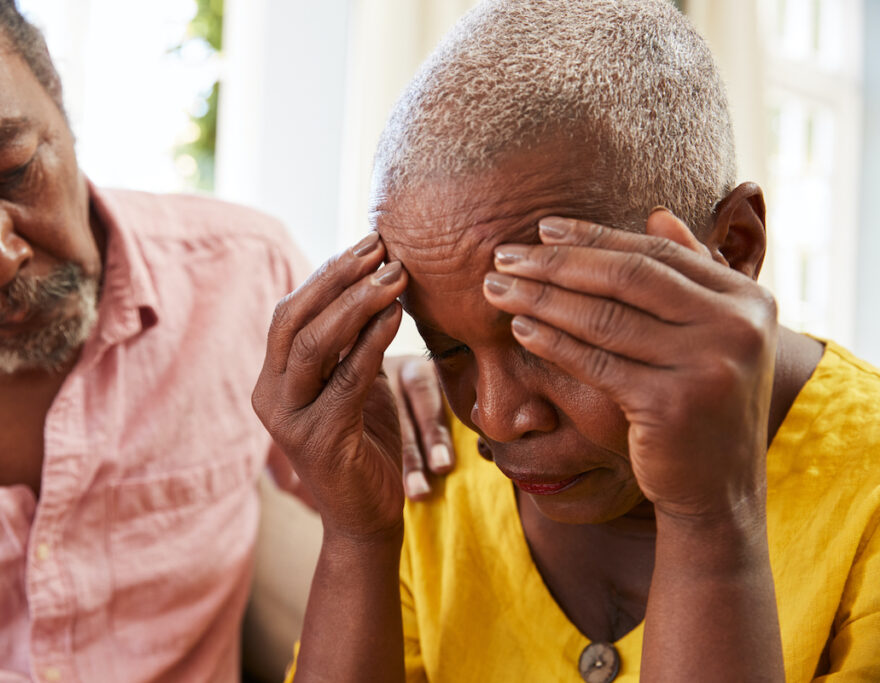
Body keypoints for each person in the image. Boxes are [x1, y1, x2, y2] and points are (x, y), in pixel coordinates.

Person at [254, 0, 880, 681]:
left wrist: (711, 516)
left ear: (730, 247)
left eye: (547, 336)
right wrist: (358, 540)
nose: (493, 416)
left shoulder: (864, 491)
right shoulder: (425, 464)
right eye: (449, 350)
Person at [0, 1, 450, 680]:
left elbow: (398, 519)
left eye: (12, 171)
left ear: (51, 80)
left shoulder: (244, 280)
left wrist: (423, 389)